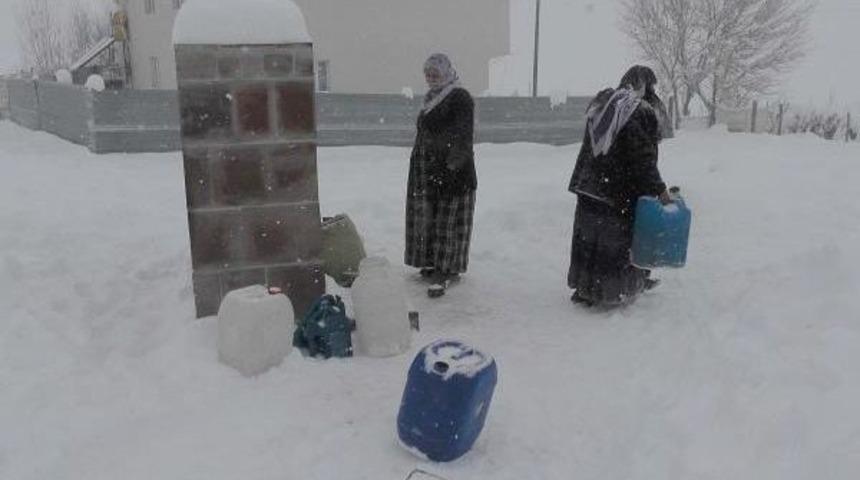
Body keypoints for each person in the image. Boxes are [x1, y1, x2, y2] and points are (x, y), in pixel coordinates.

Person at [567, 65, 672, 307]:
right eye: (651, 86)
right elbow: (642, 158)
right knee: (612, 243)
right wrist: (659, 189)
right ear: (645, 85)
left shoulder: (605, 103)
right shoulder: (638, 110)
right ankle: (609, 292)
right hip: (616, 189)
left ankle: (584, 289)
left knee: (588, 240)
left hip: (589, 185)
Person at [404, 54, 477, 298]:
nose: (431, 78)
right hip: (427, 169)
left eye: (435, 73)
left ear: (447, 72)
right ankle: (433, 263)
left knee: (448, 220)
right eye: (428, 73)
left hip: (452, 169)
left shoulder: (459, 97)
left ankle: (447, 269)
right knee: (429, 218)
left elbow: (463, 135)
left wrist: (452, 167)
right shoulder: (430, 98)